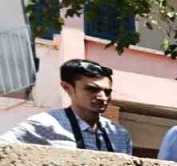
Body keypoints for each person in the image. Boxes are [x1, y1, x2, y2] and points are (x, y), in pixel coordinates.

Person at [1, 59, 133, 154]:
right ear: (67, 88)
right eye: (92, 89)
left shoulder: (120, 134)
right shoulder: (44, 124)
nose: (103, 97)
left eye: (107, 91)